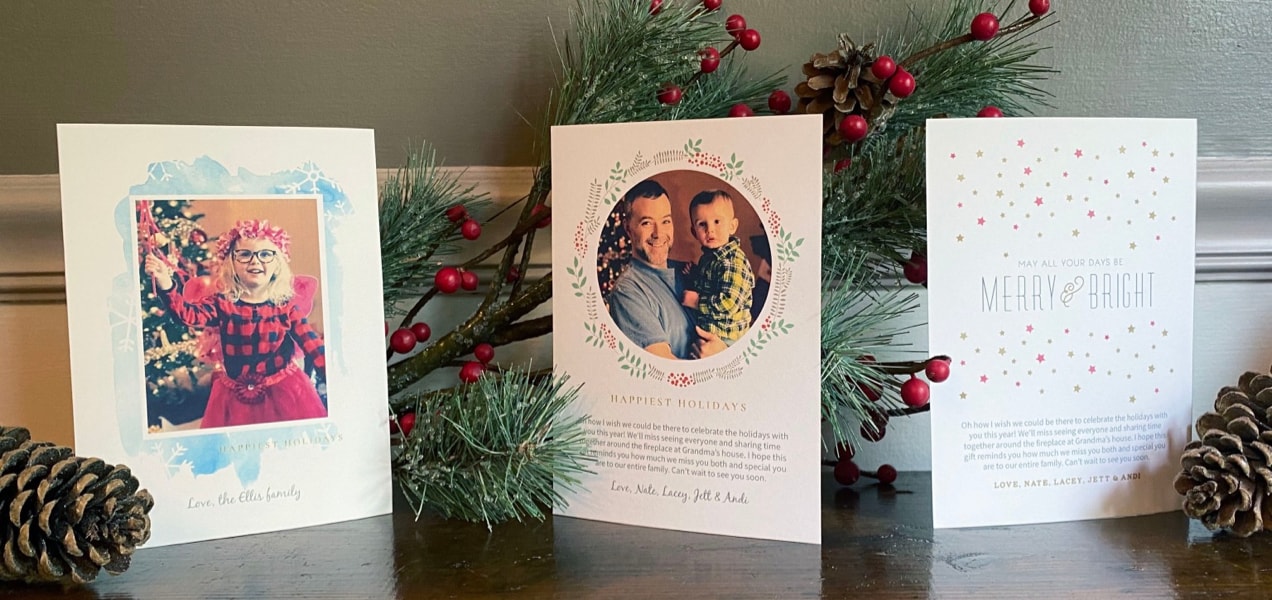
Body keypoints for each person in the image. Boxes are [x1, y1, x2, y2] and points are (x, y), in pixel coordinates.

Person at [144, 219, 327, 428]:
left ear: (278, 264)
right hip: (233, 398)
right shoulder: (222, 304)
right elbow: (187, 315)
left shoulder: (285, 307)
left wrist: (334, 377)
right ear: (231, 262)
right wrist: (165, 283)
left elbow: (313, 346)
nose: (255, 261)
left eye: (266, 254)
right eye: (245, 254)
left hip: (284, 393)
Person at [608, 180, 727, 360]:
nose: (658, 233)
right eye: (647, 223)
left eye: (665, 221)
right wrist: (717, 362)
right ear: (628, 228)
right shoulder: (628, 292)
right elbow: (663, 373)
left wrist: (725, 351)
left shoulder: (689, 272)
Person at [681, 190, 754, 345]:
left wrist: (696, 301)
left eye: (717, 221)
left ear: (732, 226)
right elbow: (712, 285)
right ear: (694, 232)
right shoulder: (709, 258)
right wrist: (694, 275)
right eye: (702, 224)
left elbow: (729, 303)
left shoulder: (733, 261)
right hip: (710, 331)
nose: (710, 230)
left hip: (728, 338)